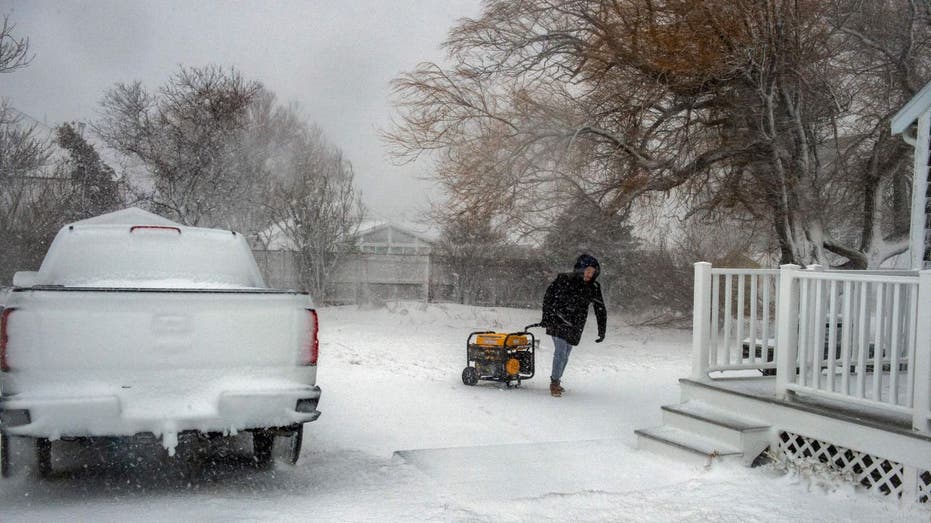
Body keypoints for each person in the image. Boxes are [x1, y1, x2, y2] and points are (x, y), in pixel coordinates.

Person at [540, 254, 607, 397]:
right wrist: (546, 317)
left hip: (575, 324)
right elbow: (548, 298)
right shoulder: (564, 279)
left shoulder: (594, 287)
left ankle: (557, 379)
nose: (589, 274)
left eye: (592, 271)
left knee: (566, 354)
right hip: (557, 320)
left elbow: (600, 309)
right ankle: (555, 382)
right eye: (587, 270)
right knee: (560, 351)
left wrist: (602, 331)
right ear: (580, 269)